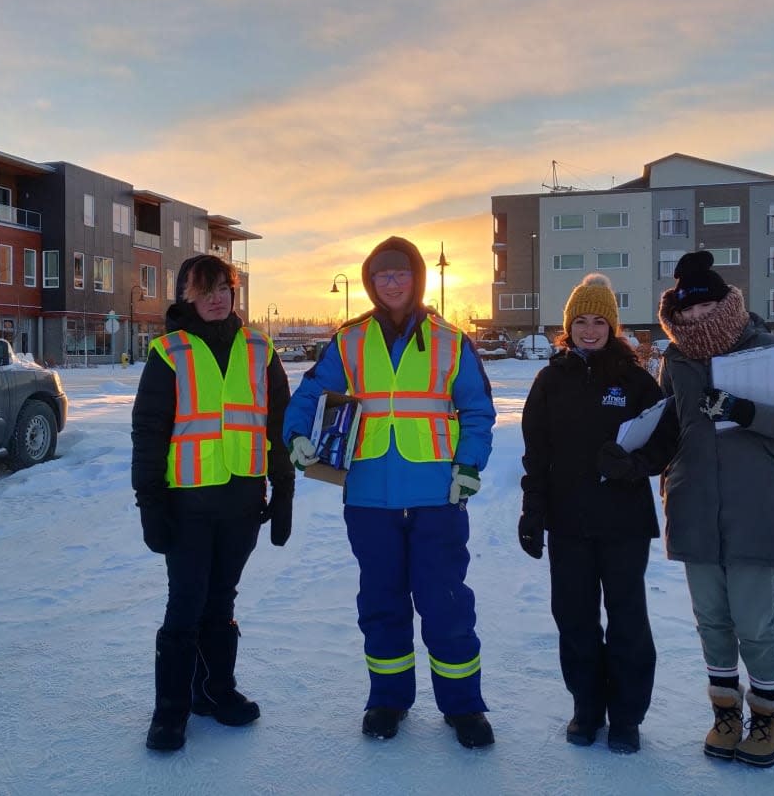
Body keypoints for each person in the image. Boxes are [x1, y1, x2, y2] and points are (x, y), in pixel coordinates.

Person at [283, 236, 497, 749]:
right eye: (382, 275)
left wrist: (469, 465)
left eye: (401, 273)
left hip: (436, 495)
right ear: (370, 282)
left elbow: (477, 409)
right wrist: (295, 435)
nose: (393, 282)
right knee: (381, 601)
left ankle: (463, 707)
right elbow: (311, 392)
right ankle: (388, 699)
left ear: (417, 279)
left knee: (445, 602)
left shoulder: (451, 340)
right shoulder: (349, 339)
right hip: (368, 495)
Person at [655, 250, 774, 768]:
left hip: (756, 508)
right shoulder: (675, 362)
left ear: (725, 305)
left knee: (753, 621)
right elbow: (668, 429)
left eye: (705, 312)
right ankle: (725, 712)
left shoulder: (771, 352)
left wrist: (745, 411)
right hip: (694, 506)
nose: (695, 323)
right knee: (712, 621)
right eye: (686, 315)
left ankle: (768, 715)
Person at [131, 254, 295, 752]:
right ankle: (170, 712)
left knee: (221, 603)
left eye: (224, 287)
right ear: (186, 297)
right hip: (187, 504)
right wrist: (150, 505)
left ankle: (216, 692)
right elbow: (149, 434)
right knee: (185, 604)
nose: (218, 297)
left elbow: (279, 426)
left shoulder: (260, 349)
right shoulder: (168, 353)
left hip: (242, 499)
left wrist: (283, 489)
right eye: (205, 291)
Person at [519, 273, 665, 754]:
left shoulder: (635, 379)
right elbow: (536, 454)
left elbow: (667, 441)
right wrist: (532, 512)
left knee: (627, 620)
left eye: (598, 320)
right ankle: (586, 708)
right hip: (570, 524)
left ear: (612, 325)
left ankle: (626, 716)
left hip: (624, 524)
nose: (588, 329)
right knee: (575, 618)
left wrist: (634, 466)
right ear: (567, 326)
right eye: (580, 320)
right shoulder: (550, 380)